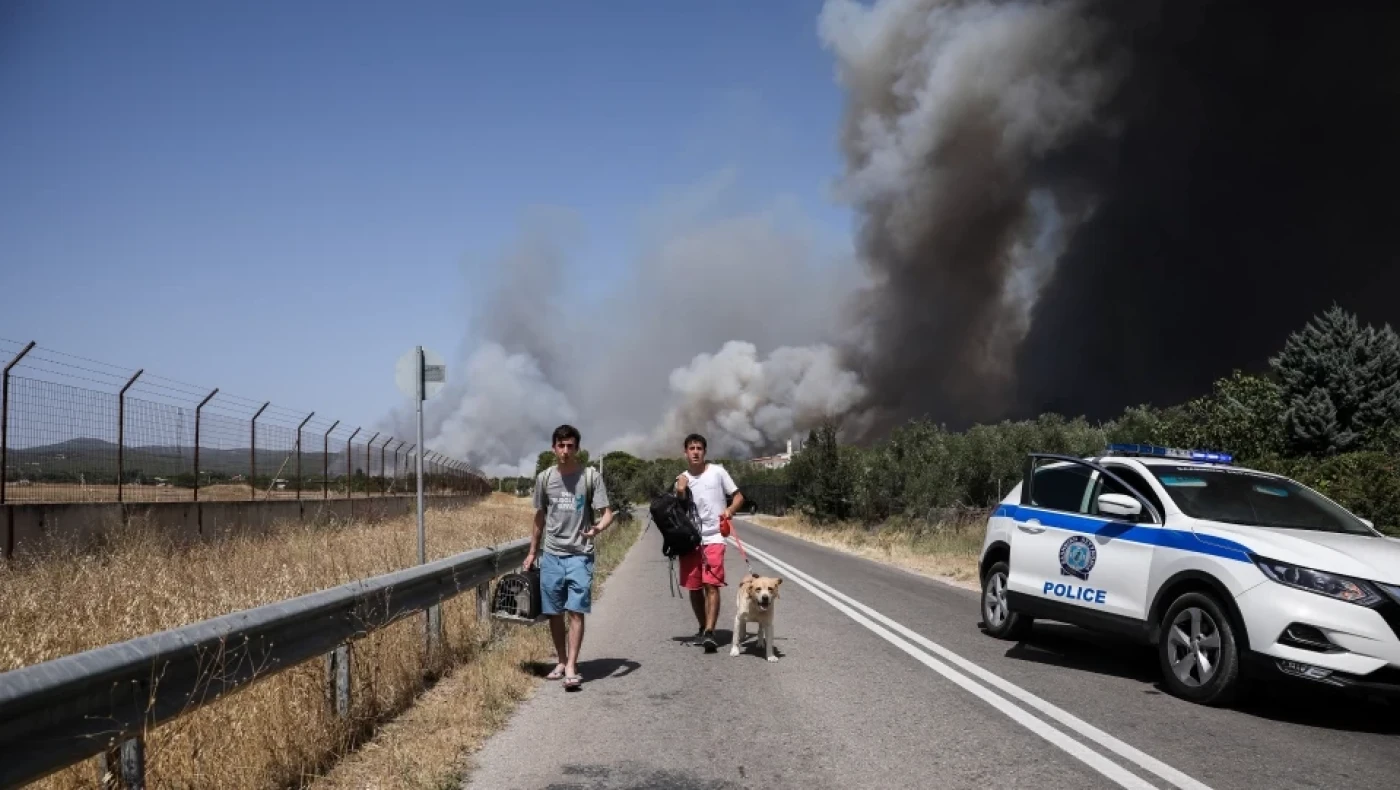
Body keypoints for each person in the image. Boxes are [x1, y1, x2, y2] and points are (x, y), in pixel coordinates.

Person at [524, 424, 613, 689]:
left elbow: (607, 513)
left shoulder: (590, 476)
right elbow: (539, 517)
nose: (565, 451)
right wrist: (532, 552)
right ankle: (561, 661)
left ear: (577, 448)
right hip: (552, 555)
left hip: (580, 555)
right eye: (561, 446)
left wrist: (597, 529)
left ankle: (572, 665)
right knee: (554, 613)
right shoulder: (544, 479)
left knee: (576, 610)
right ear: (554, 448)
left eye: (570, 446)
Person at [674, 432, 744, 652]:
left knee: (711, 584)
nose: (695, 452)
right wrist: (680, 491)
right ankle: (703, 627)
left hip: (714, 537)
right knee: (694, 588)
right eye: (691, 448)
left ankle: (711, 632)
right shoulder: (681, 479)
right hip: (691, 540)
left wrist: (730, 510)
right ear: (685, 453)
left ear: (704, 452)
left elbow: (739, 497)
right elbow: (678, 511)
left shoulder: (718, 472)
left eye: (699, 448)